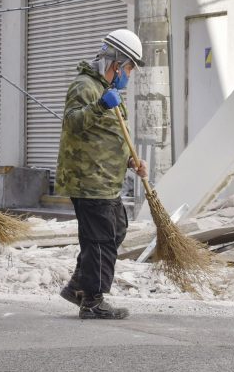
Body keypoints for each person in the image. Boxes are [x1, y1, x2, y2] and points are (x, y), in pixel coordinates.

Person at [55, 29, 148, 320]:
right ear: (117, 62)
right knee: (99, 240)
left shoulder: (110, 92)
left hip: (107, 180)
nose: (129, 74)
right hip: (89, 180)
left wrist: (132, 161)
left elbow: (110, 135)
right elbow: (72, 123)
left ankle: (77, 286)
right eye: (130, 67)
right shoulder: (85, 87)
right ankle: (92, 301)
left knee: (116, 229)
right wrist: (99, 106)